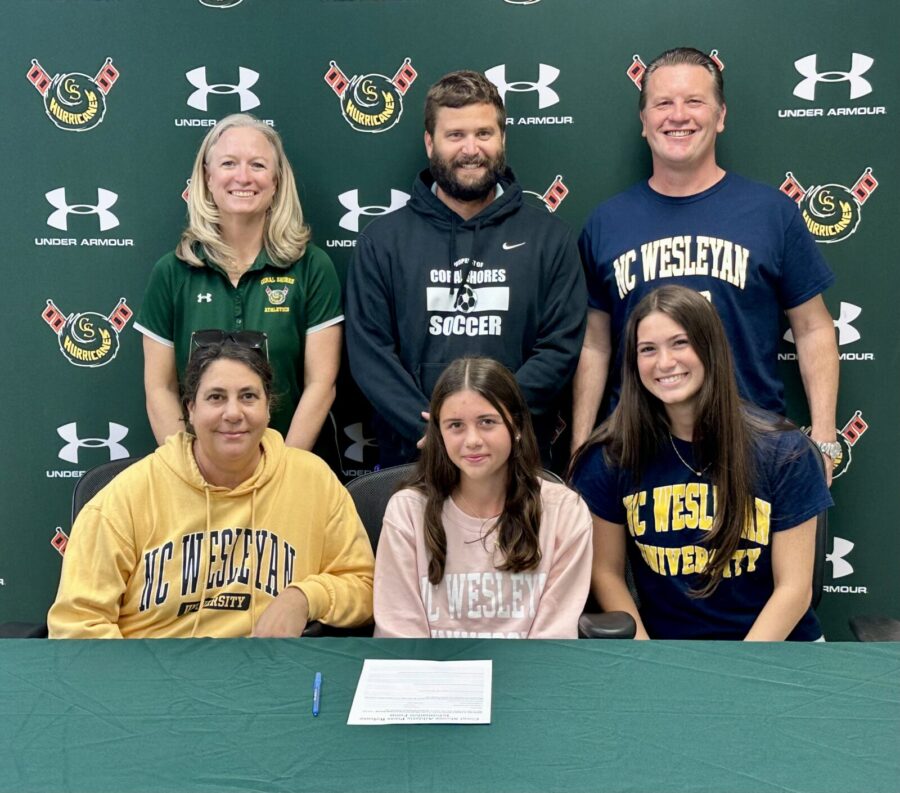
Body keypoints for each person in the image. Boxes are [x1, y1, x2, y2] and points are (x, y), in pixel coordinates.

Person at [572, 47, 840, 482]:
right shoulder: (606, 223)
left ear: (720, 116)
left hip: (752, 449)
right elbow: (595, 344)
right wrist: (582, 448)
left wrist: (825, 438)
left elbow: (813, 328)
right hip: (636, 454)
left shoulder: (772, 213)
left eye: (694, 101)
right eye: (663, 103)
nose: (678, 115)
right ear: (644, 122)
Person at [48, 339, 374, 639]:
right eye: (216, 397)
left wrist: (303, 597)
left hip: (268, 676)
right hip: (154, 682)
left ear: (267, 407)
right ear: (190, 409)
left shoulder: (312, 480)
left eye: (248, 396)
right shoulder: (126, 496)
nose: (233, 413)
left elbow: (364, 588)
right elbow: (78, 623)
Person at [346, 70, 587, 467]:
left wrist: (492, 424)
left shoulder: (550, 239)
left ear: (502, 139)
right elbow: (370, 354)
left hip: (517, 462)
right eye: (455, 135)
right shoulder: (382, 242)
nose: (470, 149)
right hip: (414, 461)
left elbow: (559, 348)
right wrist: (434, 430)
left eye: (484, 134)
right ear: (430, 142)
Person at [570, 286, 832, 641]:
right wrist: (643, 658)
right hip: (667, 654)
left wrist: (736, 678)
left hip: (778, 650)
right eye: (648, 350)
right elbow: (606, 573)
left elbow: (794, 590)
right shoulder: (611, 456)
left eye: (680, 343)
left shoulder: (785, 451)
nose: (664, 363)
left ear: (710, 348)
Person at [135, 113, 342, 449]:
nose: (243, 177)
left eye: (258, 165)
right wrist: (187, 471)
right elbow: (160, 388)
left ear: (276, 181)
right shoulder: (171, 272)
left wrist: (283, 470)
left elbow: (321, 384)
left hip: (288, 467)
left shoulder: (312, 267)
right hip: (196, 476)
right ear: (207, 178)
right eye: (229, 163)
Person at [374, 357, 591, 639]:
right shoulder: (407, 510)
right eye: (455, 426)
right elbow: (400, 634)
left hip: (528, 678)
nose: (472, 440)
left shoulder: (564, 511)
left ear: (516, 427)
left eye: (487, 422)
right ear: (437, 433)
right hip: (429, 678)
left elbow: (554, 641)